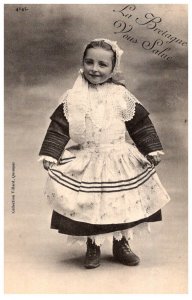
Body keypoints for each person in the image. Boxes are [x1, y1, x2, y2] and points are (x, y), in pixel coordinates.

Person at [39, 38, 170, 269]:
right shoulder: (74, 96)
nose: (95, 69)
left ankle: (121, 245)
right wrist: (50, 154)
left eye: (102, 64)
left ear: (113, 68)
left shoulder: (121, 95)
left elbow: (139, 124)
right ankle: (93, 245)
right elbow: (59, 127)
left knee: (122, 203)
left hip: (118, 158)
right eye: (89, 62)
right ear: (82, 63)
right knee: (90, 204)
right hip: (88, 158)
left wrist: (152, 149)